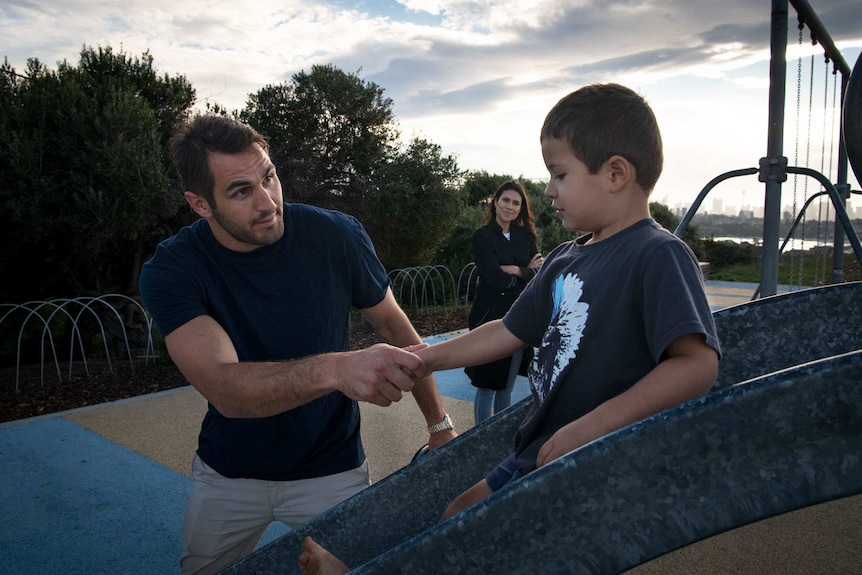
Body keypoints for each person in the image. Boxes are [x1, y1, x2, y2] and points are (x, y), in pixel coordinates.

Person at [297, 82, 721, 575]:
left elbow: (697, 364)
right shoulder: (565, 259)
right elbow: (506, 330)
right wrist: (426, 357)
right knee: (459, 514)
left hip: (593, 462)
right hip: (538, 450)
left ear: (615, 173)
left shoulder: (656, 254)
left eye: (559, 174)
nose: (548, 191)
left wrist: (593, 426)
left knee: (490, 546)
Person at [138, 114, 457, 575]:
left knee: (355, 568)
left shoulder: (336, 236)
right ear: (200, 204)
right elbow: (225, 389)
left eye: (269, 176)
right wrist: (337, 368)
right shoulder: (173, 269)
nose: (268, 202)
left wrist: (439, 423)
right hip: (230, 471)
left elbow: (395, 327)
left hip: (332, 466)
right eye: (241, 191)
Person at [466, 180, 543, 424]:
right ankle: (479, 438)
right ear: (495, 202)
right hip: (489, 317)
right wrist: (524, 271)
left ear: (521, 208)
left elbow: (538, 274)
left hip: (519, 317)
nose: (510, 206)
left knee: (506, 387)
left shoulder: (525, 237)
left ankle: (499, 437)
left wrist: (515, 270)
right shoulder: (483, 236)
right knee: (487, 385)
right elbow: (495, 279)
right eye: (505, 200)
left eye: (516, 203)